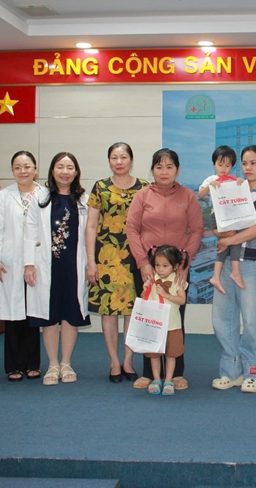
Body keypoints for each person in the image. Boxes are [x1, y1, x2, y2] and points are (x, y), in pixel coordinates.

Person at [126, 148, 203, 391]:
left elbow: (197, 230)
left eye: (169, 167)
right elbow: (132, 229)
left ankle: (176, 373)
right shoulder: (142, 196)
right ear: (152, 170)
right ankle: (149, 374)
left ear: (177, 170)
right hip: (149, 268)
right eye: (159, 167)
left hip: (177, 269)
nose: (164, 171)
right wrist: (143, 262)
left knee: (175, 321)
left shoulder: (187, 196)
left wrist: (184, 263)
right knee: (148, 319)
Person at [211, 145, 256, 393]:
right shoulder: (229, 187)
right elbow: (216, 223)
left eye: (253, 163)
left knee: (251, 321)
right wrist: (222, 235)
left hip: (251, 262)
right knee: (222, 320)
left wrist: (229, 240)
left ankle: (253, 372)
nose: (248, 167)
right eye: (244, 163)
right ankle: (230, 372)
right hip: (225, 262)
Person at [24, 152, 90, 386]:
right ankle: (52, 364)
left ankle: (66, 363)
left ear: (76, 172)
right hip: (46, 265)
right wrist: (29, 264)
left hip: (73, 266)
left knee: (71, 314)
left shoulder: (84, 199)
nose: (65, 172)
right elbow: (29, 232)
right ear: (52, 170)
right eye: (60, 167)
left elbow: (89, 234)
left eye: (70, 167)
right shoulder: (40, 197)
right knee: (49, 316)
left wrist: (91, 264)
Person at [85, 142, 149, 384]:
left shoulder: (144, 187)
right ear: (109, 161)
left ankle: (128, 360)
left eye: (123, 157)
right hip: (107, 256)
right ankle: (113, 361)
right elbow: (91, 225)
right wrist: (91, 261)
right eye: (114, 157)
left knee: (132, 310)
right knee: (109, 311)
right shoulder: (100, 187)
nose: (119, 161)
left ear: (131, 160)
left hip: (135, 256)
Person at [0, 151, 42, 382]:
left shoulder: (44, 194)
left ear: (35, 169)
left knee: (33, 314)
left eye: (27, 166)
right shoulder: (4, 196)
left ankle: (32, 364)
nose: (23, 171)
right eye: (18, 167)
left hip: (37, 262)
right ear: (12, 170)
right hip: (9, 262)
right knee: (12, 316)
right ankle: (13, 365)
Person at [198, 145, 245, 295]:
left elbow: (240, 196)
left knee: (234, 242)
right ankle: (226, 274)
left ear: (232, 166)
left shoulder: (232, 179)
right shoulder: (212, 179)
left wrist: (240, 182)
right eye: (220, 164)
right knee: (227, 242)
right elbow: (200, 194)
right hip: (218, 216)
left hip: (231, 216)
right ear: (214, 164)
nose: (224, 169)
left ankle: (225, 274)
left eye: (228, 165)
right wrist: (210, 186)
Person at [141, 245, 188, 396]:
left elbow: (182, 300)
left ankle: (168, 380)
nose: (160, 269)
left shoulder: (177, 281)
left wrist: (167, 295)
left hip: (172, 325)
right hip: (154, 325)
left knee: (171, 354)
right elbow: (144, 299)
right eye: (157, 265)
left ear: (175, 266)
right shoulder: (152, 280)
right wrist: (145, 289)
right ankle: (156, 379)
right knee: (154, 355)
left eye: (165, 266)